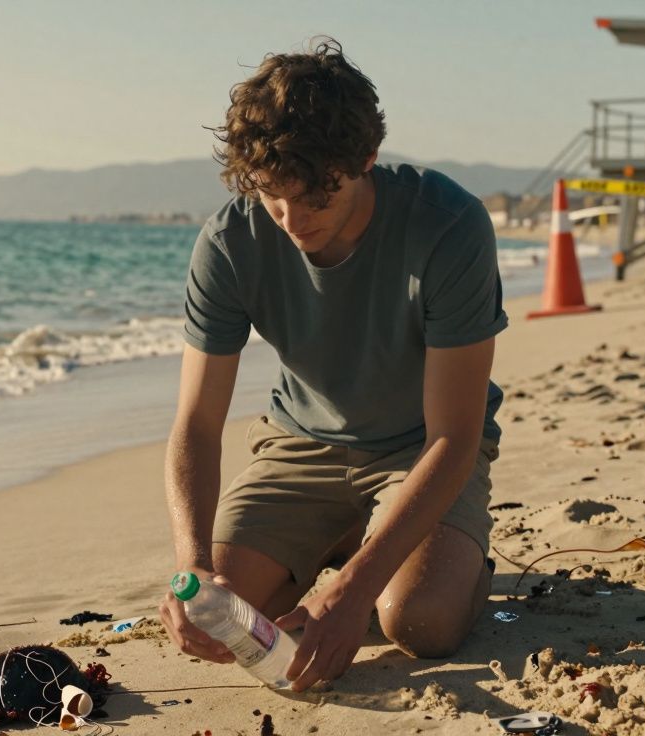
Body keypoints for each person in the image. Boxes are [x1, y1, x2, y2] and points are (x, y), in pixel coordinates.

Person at [158, 38, 508, 692]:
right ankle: (352, 544)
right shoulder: (230, 241)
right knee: (226, 621)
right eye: (271, 195)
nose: (292, 220)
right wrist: (195, 567)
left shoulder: (449, 226)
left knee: (417, 623)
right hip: (299, 448)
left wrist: (351, 594)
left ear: (366, 159)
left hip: (420, 450)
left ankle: (444, 563)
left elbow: (455, 436)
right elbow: (197, 427)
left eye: (316, 197)